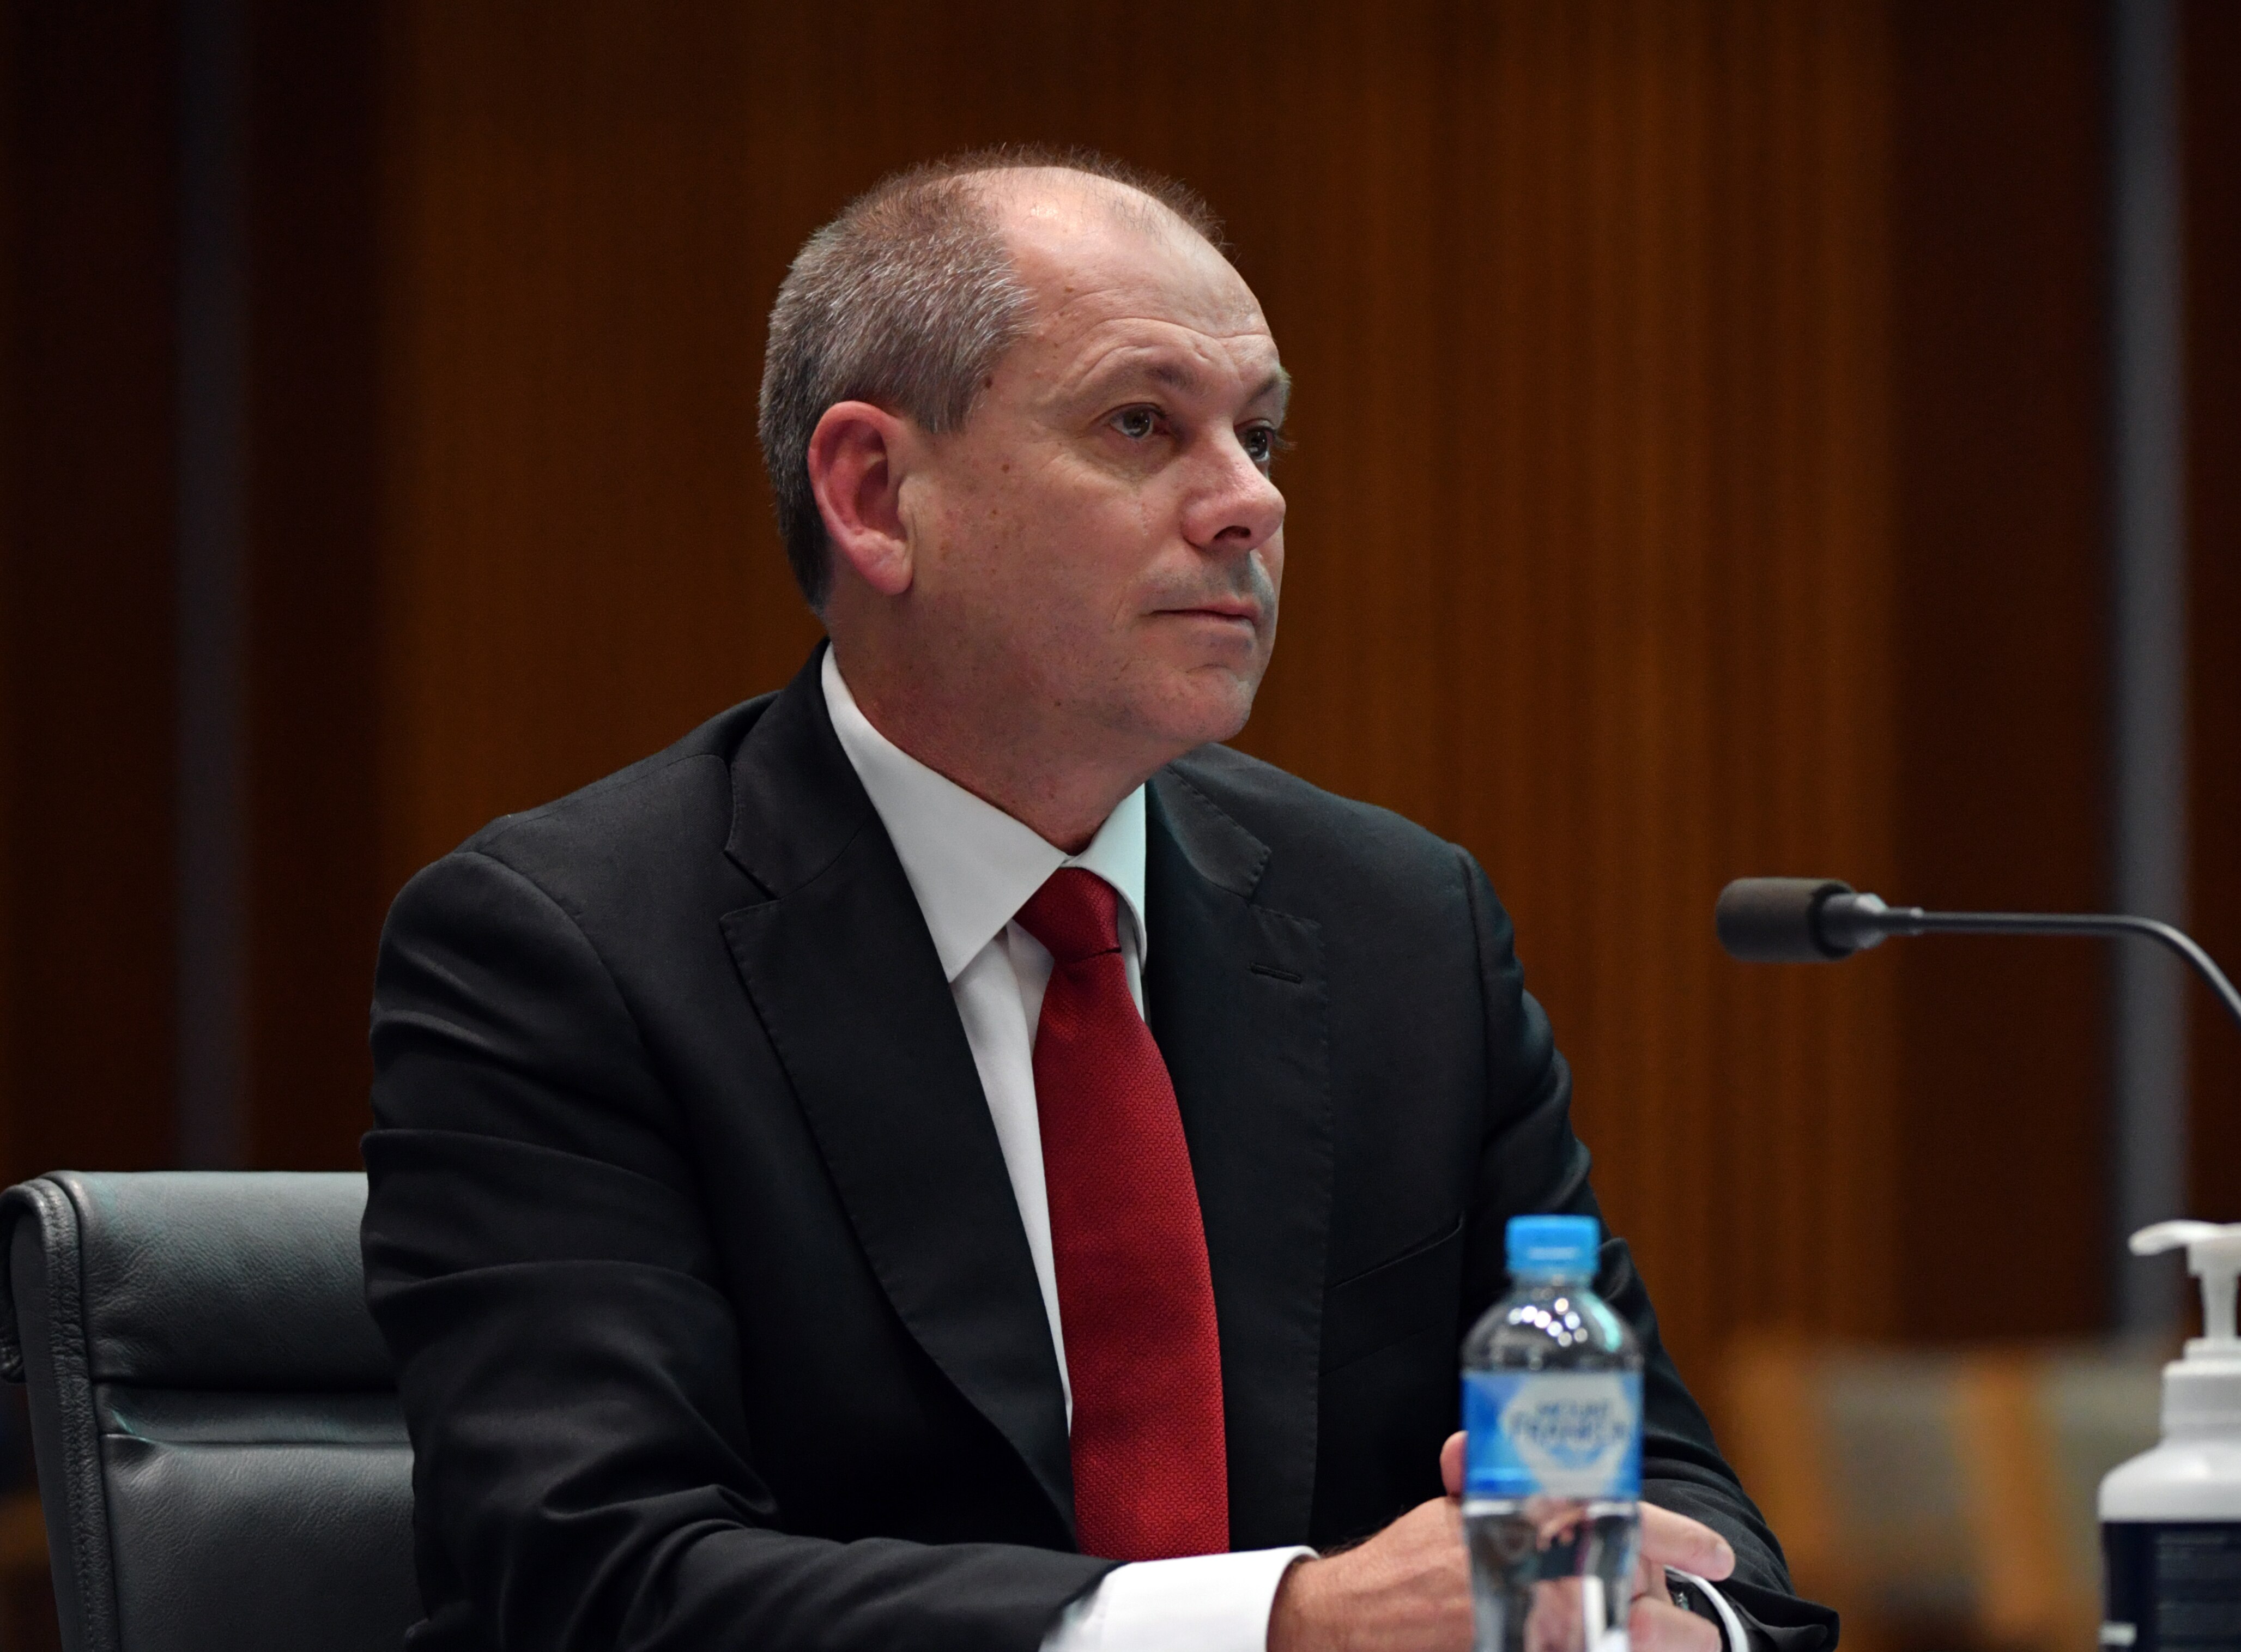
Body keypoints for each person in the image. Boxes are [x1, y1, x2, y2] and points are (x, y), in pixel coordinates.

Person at [361, 146, 1837, 1652]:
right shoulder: (566, 949)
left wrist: (1676, 1631)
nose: (1248, 503)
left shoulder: (1395, 928)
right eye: (1144, 424)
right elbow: (590, 1583)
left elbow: (1668, 1501)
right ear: (874, 495)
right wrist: (1280, 1624)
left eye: (1260, 435)